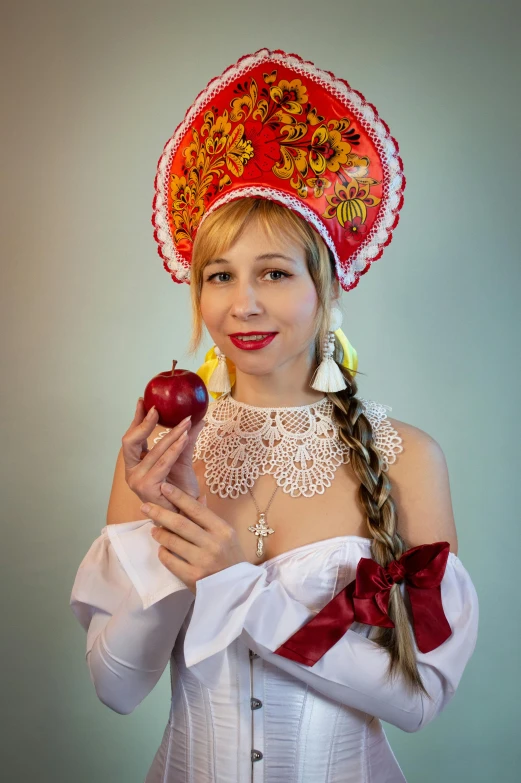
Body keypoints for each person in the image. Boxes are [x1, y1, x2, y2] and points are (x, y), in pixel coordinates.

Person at [70, 49, 479, 782]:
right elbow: (116, 687)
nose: (243, 304)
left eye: (275, 273)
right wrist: (160, 540)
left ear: (326, 287)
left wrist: (235, 585)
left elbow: (417, 698)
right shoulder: (157, 454)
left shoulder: (407, 457)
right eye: (219, 276)